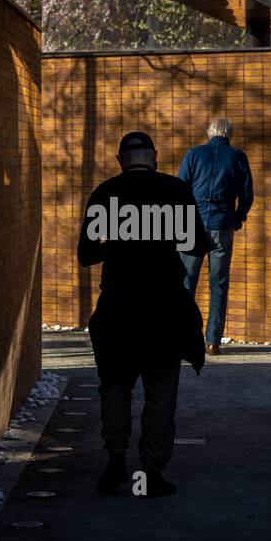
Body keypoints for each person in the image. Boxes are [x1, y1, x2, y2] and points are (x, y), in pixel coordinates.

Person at [78, 132, 209, 498]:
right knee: (160, 392)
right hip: (164, 309)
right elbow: (198, 244)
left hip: (118, 308)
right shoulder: (175, 191)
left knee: (116, 386)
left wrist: (123, 242)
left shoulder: (105, 194)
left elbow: (86, 255)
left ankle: (116, 460)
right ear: (155, 157)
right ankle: (151, 472)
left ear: (121, 159)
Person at [178, 118, 254, 356]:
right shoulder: (238, 156)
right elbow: (247, 193)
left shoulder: (194, 154)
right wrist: (238, 216)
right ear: (229, 134)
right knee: (218, 284)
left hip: (193, 226)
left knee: (186, 282)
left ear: (209, 133)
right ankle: (213, 341)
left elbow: (180, 190)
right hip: (223, 225)